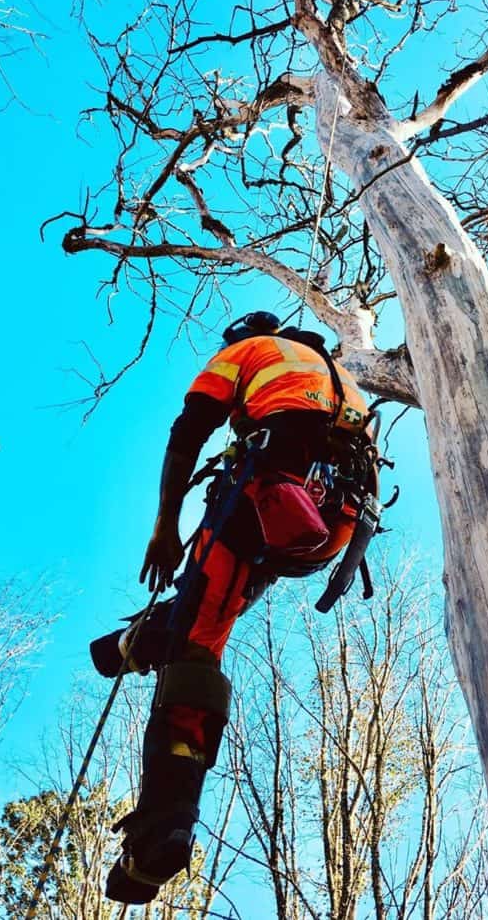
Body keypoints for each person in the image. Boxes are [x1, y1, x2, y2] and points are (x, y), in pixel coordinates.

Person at [100, 311, 377, 905]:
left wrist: (165, 525)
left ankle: (158, 838)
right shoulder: (338, 376)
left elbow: (188, 430)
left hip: (266, 497)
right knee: (207, 618)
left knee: (195, 652)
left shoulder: (247, 352)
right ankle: (135, 643)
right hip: (332, 527)